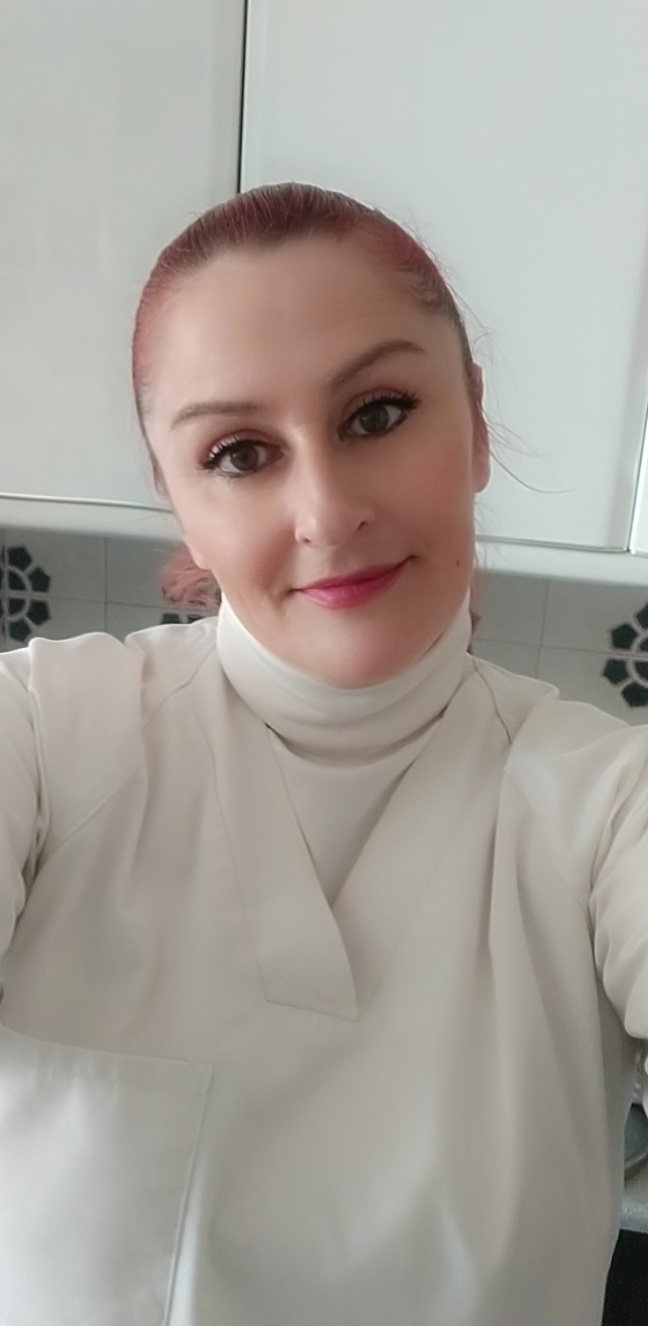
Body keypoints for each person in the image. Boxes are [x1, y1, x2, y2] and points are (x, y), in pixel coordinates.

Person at [0, 181, 645, 1326]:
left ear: (475, 425)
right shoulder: (47, 734)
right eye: (240, 452)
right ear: (177, 500)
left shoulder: (607, 809)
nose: (327, 511)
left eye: (378, 414)